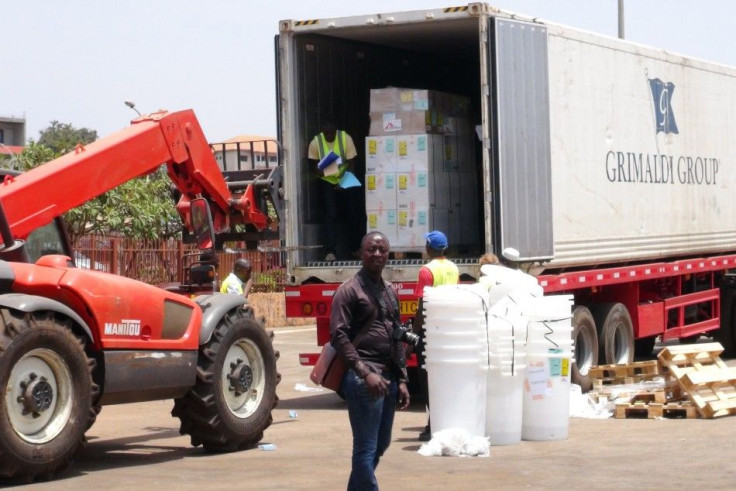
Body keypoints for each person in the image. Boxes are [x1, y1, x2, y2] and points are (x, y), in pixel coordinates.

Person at [331, 231, 410, 491]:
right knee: (365, 447)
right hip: (363, 377)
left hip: (387, 377)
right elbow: (339, 337)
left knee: (381, 444)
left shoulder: (389, 291)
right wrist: (365, 374)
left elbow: (397, 333)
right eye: (371, 249)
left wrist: (401, 379)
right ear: (360, 253)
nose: (377, 254)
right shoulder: (349, 290)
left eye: (382, 250)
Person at [412, 230, 459, 442]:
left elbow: (423, 305)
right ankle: (441, 422)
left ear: (429, 248)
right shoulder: (453, 267)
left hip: (430, 330)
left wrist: (414, 333)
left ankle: (434, 424)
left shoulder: (426, 270)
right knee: (445, 379)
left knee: (426, 379)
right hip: (448, 328)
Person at [308, 121, 364, 262]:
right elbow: (312, 166)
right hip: (327, 181)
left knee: (351, 213)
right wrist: (321, 171)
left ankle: (355, 249)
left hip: (345, 178)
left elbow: (351, 163)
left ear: (336, 130)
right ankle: (330, 251)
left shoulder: (346, 138)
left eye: (332, 133)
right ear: (322, 132)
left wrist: (344, 182)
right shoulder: (315, 143)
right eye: (326, 134)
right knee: (330, 215)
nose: (329, 136)